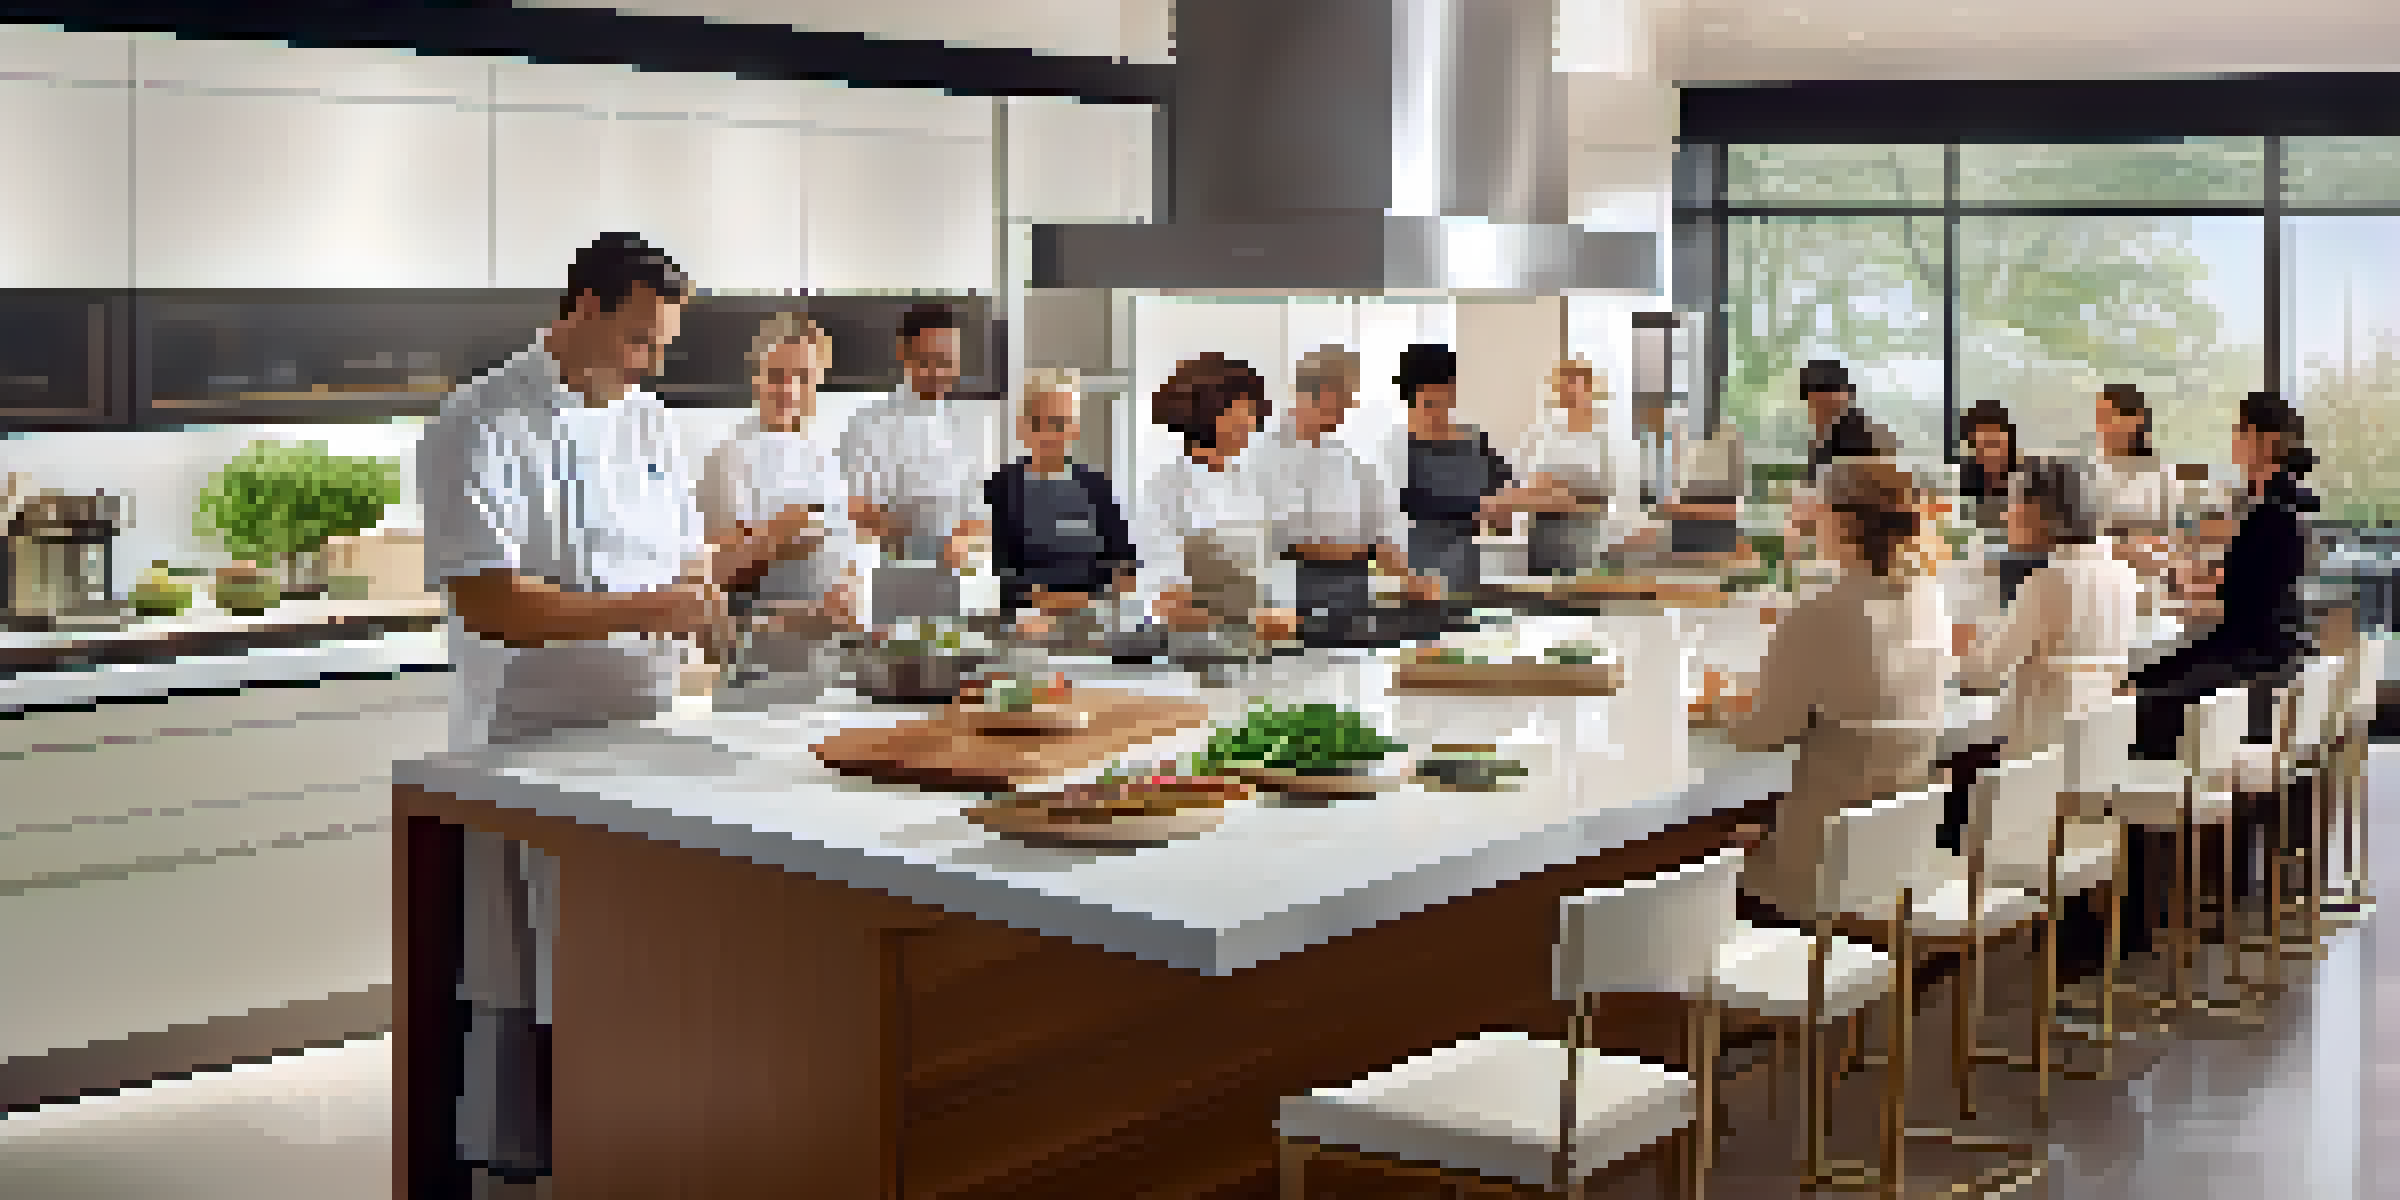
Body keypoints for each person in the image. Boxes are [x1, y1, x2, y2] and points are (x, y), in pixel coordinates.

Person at [418, 233, 802, 1185]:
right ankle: (540, 1159)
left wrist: (707, 609)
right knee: (536, 979)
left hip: (651, 727)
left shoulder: (651, 422)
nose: (650, 360)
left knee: (638, 968)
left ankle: (639, 1151)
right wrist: (654, 609)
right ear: (581, 307)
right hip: (529, 745)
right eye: (637, 339)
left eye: (660, 342)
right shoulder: (479, 422)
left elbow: (682, 563)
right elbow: (492, 602)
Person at [1698, 459, 1951, 923]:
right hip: (1894, 858)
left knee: (1704, 853)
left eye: (1817, 505)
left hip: (1816, 865)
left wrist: (1717, 704)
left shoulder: (1820, 610)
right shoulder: (1929, 597)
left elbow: (1762, 731)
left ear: (1842, 520)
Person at [1942, 457, 2140, 853]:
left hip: (2035, 771)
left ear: (2043, 511)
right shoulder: (2120, 573)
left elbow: (1981, 675)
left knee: (1942, 793)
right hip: (2088, 770)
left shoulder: (2049, 580)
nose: (2006, 512)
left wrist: (1953, 647)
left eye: (2014, 501)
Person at [696, 313, 868, 674]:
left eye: (802, 378)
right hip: (759, 645)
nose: (788, 389)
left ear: (818, 383)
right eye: (776, 375)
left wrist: (850, 590)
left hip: (828, 646)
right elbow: (714, 571)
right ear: (756, 377)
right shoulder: (729, 458)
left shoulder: (824, 458)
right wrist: (776, 536)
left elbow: (847, 553)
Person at [1264, 345, 1439, 634]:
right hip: (1296, 605)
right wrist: (1371, 551)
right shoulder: (1271, 454)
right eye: (1344, 396)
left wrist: (1411, 580)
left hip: (1350, 603)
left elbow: (1378, 525)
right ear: (1317, 393)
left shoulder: (1343, 457)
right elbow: (1291, 542)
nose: (1349, 406)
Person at [1133, 353, 1300, 643]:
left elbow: (1277, 569)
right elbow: (1165, 599)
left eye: (1253, 412)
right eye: (1242, 410)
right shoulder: (1165, 489)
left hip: (1260, 646)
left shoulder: (1254, 485)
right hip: (1192, 648)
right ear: (1206, 413)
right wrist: (1247, 625)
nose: (1251, 421)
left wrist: (1281, 615)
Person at [839, 303, 999, 574]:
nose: (938, 374)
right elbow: (857, 511)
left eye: (947, 362)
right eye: (927, 361)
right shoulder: (869, 424)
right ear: (904, 353)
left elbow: (982, 514)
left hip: (958, 571)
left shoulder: (973, 426)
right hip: (886, 571)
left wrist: (963, 540)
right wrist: (923, 543)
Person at [983, 368, 1137, 640]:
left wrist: (1094, 604)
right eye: (1043, 423)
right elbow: (998, 573)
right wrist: (1063, 602)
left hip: (1095, 627)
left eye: (1063, 423)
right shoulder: (1002, 486)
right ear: (1023, 427)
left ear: (1075, 428)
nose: (1054, 434)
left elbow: (1125, 565)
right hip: (1025, 627)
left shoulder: (1096, 485)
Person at [1491, 357, 1657, 575]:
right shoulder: (1544, 434)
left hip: (1587, 536)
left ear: (1591, 390)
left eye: (1577, 387)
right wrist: (1550, 494)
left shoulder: (1607, 437)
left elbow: (1608, 493)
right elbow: (1532, 484)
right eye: (1565, 388)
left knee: (1582, 597)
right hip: (1544, 535)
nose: (1571, 394)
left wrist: (1564, 496)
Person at [1397, 343, 1514, 596]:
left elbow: (1506, 490)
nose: (1438, 413)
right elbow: (1414, 503)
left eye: (1445, 401)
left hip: (1468, 578)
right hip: (1416, 584)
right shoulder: (1394, 448)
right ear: (1410, 396)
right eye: (1429, 403)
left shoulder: (1475, 442)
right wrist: (1481, 507)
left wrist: (1506, 508)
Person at [1788, 359, 1900, 556]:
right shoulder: (1823, 438)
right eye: (1812, 404)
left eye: (1821, 403)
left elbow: (1865, 494)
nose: (1815, 411)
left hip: (1863, 541)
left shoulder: (1865, 435)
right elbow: (1813, 491)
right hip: (1834, 540)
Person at [2090, 383, 2175, 580]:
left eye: (2109, 417)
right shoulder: (2090, 472)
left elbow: (2163, 548)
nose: (2102, 427)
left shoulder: (2161, 477)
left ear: (2136, 420)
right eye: (2099, 418)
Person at [1956, 399, 2023, 532]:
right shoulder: (1964, 483)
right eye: (1982, 446)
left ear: (2009, 440)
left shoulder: (2031, 479)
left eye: (1994, 443)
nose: (1991, 454)